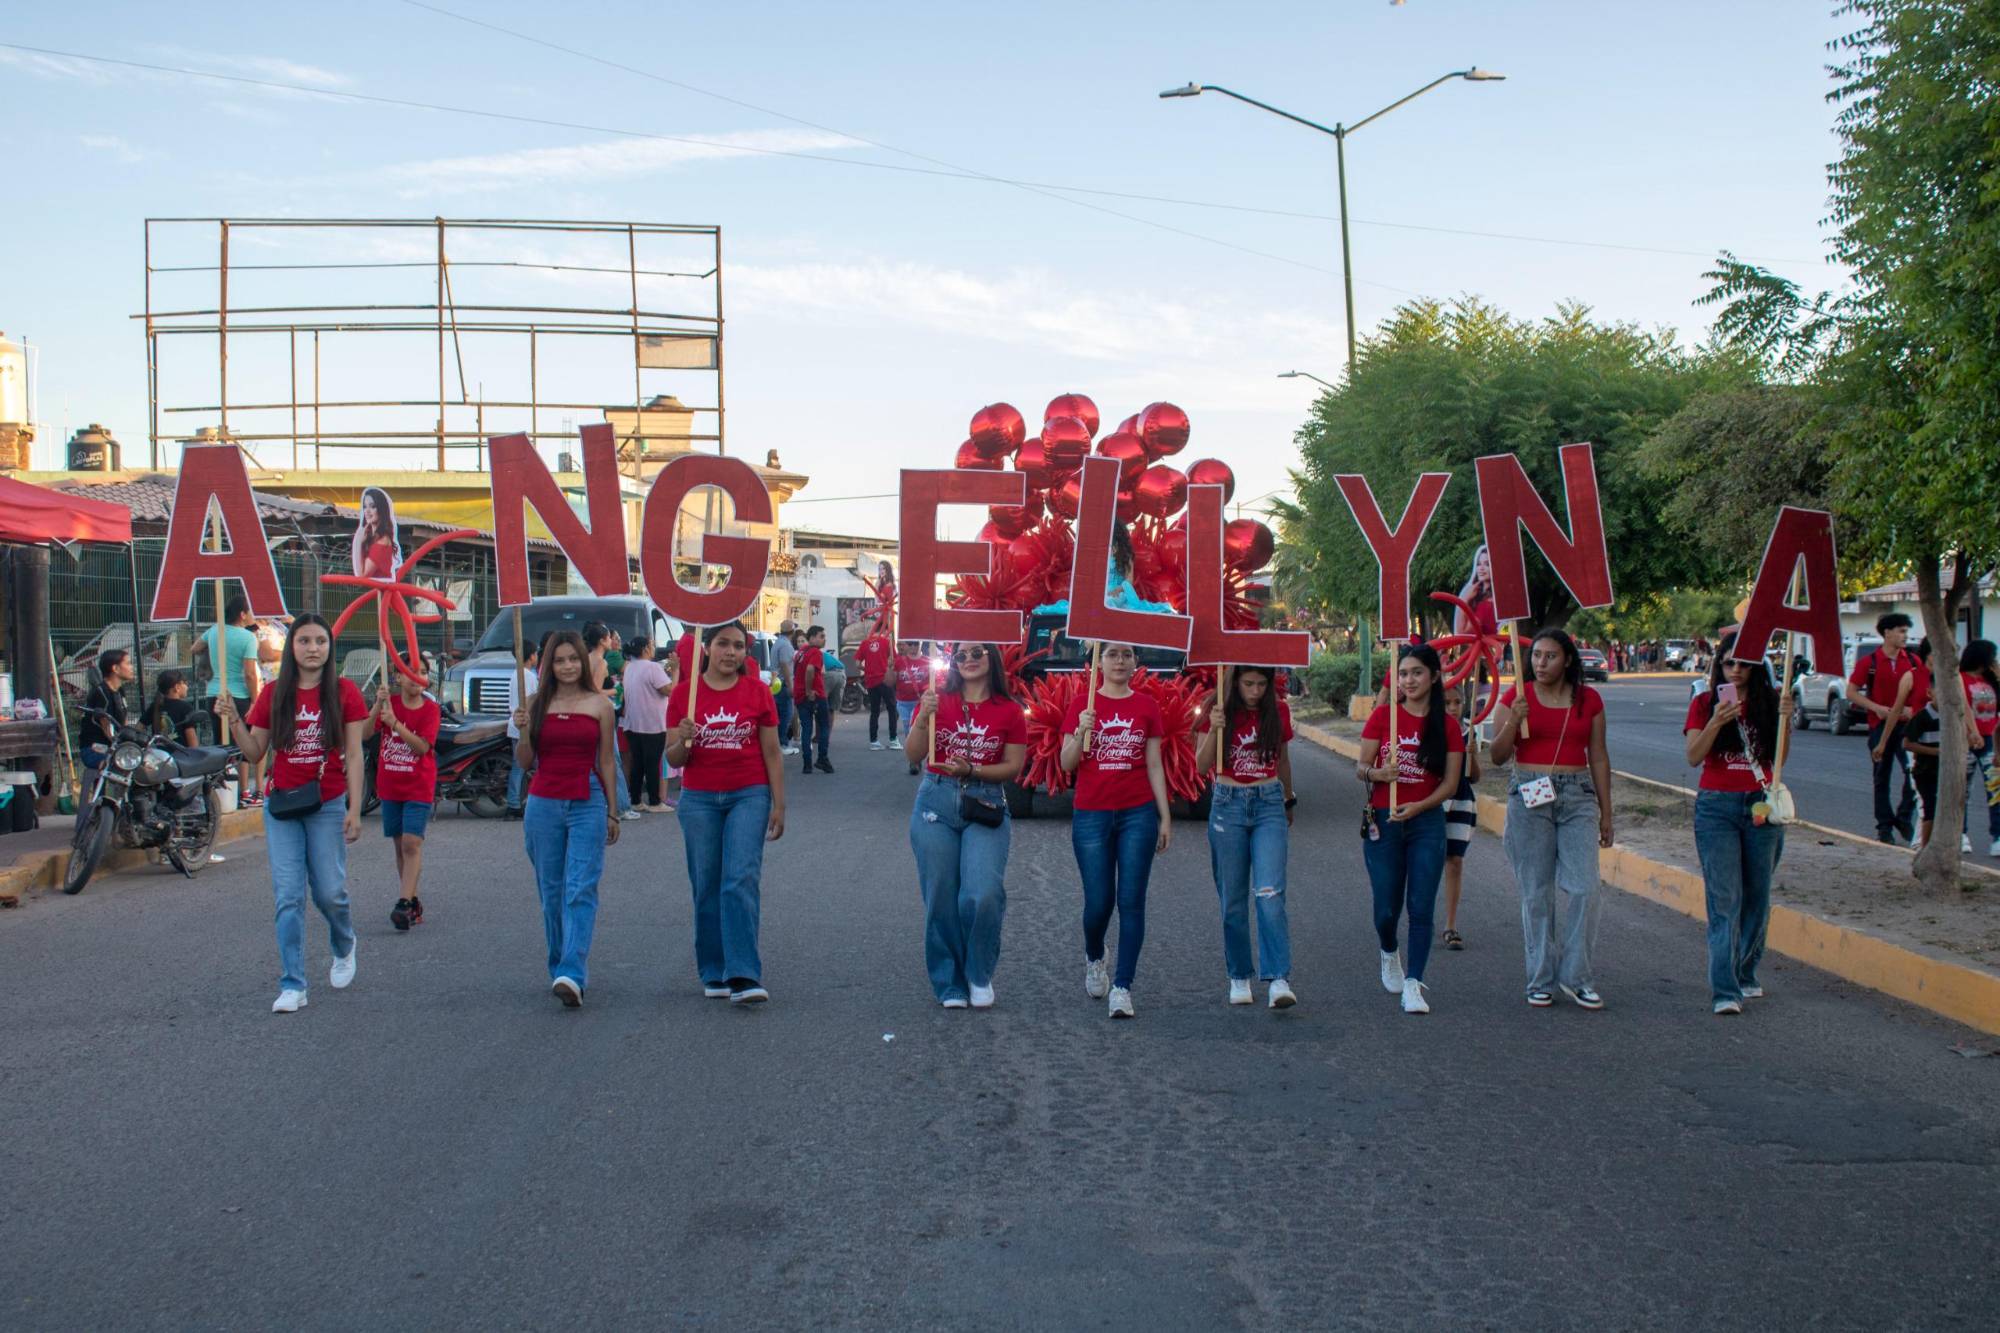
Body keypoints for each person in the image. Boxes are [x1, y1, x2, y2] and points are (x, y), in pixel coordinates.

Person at [219, 615, 367, 1014]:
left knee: (330, 893)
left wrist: (355, 809)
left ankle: (344, 942)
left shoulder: (345, 692)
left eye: (320, 641)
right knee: (288, 897)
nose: (313, 648)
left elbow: (354, 755)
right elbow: (255, 752)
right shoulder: (273, 693)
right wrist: (234, 718)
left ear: (330, 647)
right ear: (292, 647)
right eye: (304, 641)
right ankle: (293, 984)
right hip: (282, 805)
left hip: (327, 803)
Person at [1490, 628, 1614, 1011]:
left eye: (1551, 656)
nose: (1541, 663)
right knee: (1537, 892)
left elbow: (1598, 756)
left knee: (1585, 888)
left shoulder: (1589, 700)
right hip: (1529, 794)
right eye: (1537, 655)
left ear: (1568, 660)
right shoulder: (1517, 696)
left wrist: (1607, 813)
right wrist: (1514, 721)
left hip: (1577, 796)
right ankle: (1541, 978)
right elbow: (1497, 755)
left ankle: (1577, 977)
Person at [667, 620, 785, 1004]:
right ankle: (714, 969)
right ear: (707, 648)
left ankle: (744, 974)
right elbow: (673, 758)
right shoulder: (684, 695)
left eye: (738, 645)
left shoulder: (758, 692)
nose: (730, 652)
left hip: (748, 795)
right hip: (699, 799)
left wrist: (779, 804)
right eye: (722, 644)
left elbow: (772, 752)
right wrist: (683, 739)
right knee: (707, 884)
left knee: (740, 879)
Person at [904, 642, 1028, 1009]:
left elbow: (1013, 767)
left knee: (983, 893)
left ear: (992, 658)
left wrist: (973, 769)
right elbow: (913, 754)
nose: (968, 660)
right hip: (935, 802)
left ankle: (978, 971)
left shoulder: (1009, 710)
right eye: (960, 655)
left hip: (985, 801)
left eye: (977, 653)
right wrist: (923, 717)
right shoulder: (936, 699)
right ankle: (949, 982)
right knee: (940, 895)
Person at [1061, 643, 1172, 1019]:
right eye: (1111, 654)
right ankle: (1095, 956)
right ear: (1098, 662)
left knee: (1131, 901)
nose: (1120, 661)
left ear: (1136, 661)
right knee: (1098, 903)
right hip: (1091, 814)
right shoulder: (1082, 704)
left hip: (1137, 814)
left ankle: (1123, 986)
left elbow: (1154, 764)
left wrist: (1164, 816)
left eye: (1126, 654)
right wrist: (1081, 730)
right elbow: (1066, 763)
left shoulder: (1146, 706)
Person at [511, 629, 621, 1008]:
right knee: (552, 892)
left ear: (583, 661)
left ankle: (573, 971)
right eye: (559, 660)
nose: (568, 666)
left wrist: (613, 810)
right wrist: (522, 731)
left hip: (588, 801)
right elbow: (525, 762)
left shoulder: (600, 705)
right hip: (543, 802)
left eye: (573, 658)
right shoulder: (534, 703)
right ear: (549, 665)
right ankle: (559, 965)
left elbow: (607, 761)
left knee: (580, 887)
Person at [1357, 644, 1465, 1015]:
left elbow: (1451, 783)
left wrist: (1419, 806)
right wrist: (1378, 773)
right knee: (1386, 909)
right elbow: (1360, 768)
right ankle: (1389, 951)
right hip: (1384, 820)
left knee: (1421, 906)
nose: (1409, 680)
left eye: (1417, 672)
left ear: (1433, 677)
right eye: (1403, 674)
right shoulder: (1383, 717)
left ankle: (1414, 983)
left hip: (1426, 822)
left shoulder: (1448, 725)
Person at [1685, 635, 1788, 1015]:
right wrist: (1716, 721)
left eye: (1744, 663)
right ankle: (1725, 990)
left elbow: (1779, 761)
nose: (1736, 670)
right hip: (1717, 806)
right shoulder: (1703, 703)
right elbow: (1693, 756)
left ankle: (1745, 971)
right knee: (1724, 900)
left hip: (1760, 804)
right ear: (1719, 666)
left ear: (1756, 667)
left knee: (1757, 897)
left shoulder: (1771, 703)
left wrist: (1786, 720)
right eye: (1729, 663)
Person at [1195, 665, 1298, 1010]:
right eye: (1248, 684)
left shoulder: (1278, 710)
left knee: (1269, 893)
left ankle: (1278, 977)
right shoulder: (1215, 707)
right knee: (1233, 899)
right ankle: (1239, 975)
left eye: (1261, 684)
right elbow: (1201, 765)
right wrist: (1215, 727)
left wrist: (1288, 800)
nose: (1255, 691)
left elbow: (1283, 759)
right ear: (1235, 682)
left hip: (1268, 801)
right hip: (1228, 804)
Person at [370, 668, 440, 932]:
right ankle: (412, 899)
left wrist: (395, 724)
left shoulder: (431, 709)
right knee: (400, 846)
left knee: (411, 843)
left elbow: (422, 747)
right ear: (398, 677)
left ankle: (402, 903)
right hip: (390, 787)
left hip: (418, 787)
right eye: (410, 671)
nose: (417, 677)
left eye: (422, 671)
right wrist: (377, 706)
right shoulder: (390, 704)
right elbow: (364, 733)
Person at [1850, 611, 1927, 844]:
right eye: (1901, 631)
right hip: (1880, 725)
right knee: (1881, 776)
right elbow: (1851, 692)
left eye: (1906, 631)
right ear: (1887, 633)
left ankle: (1903, 816)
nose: (1905, 636)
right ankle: (1884, 826)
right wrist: (1876, 708)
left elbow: (1923, 692)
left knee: (1913, 773)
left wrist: (1912, 709)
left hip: (1907, 726)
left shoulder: (1913, 661)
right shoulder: (1870, 662)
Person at [201, 596, 265, 807]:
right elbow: (250, 674)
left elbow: (195, 647)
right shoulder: (248, 638)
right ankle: (243, 792)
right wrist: (255, 700)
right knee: (243, 745)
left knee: (221, 745)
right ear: (242, 614)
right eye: (251, 611)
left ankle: (221, 795)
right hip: (239, 696)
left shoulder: (214, 631)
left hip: (214, 693)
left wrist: (216, 655)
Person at [1439, 683, 1483, 950]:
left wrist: (1472, 756)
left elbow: (1474, 777)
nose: (1453, 708)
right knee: (1426, 861)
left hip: (1461, 799)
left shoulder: (1469, 731)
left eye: (1457, 702)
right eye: (1447, 703)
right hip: (1434, 800)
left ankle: (1451, 924)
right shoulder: (1430, 729)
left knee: (1455, 861)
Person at [583, 622, 639, 821]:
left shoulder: (586, 658)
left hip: (588, 715)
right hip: (600, 715)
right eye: (608, 637)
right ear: (601, 640)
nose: (612, 640)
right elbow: (595, 691)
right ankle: (622, 805)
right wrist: (615, 690)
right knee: (612, 760)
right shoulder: (600, 662)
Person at [621, 636, 673, 812]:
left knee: (638, 763)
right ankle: (654, 802)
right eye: (651, 645)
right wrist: (675, 671)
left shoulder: (629, 667)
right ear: (645, 649)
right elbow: (668, 690)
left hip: (632, 723)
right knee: (652, 763)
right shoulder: (652, 667)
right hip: (652, 723)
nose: (653, 648)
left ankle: (635, 800)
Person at [1961, 639, 2000, 858]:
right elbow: (1962, 707)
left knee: (1995, 789)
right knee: (1962, 789)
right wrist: (1971, 731)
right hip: (1967, 739)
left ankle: (1998, 836)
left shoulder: (1990, 681)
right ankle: (1960, 833)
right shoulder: (1960, 678)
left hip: (1991, 739)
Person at [505, 638, 540, 820]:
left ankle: (515, 802)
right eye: (535, 653)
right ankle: (514, 804)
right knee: (522, 767)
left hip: (514, 724)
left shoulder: (515, 674)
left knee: (518, 766)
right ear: (531, 656)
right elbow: (532, 702)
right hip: (524, 725)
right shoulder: (529, 676)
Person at [80, 648, 135, 764]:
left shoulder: (120, 691)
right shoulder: (101, 692)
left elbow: (123, 725)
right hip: (96, 749)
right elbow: (107, 729)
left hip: (112, 747)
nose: (132, 667)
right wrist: (124, 748)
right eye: (128, 663)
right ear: (115, 668)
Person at [795, 624, 833, 775]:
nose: (824, 639)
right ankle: (822, 758)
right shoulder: (816, 652)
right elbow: (810, 670)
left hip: (800, 696)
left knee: (806, 729)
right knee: (824, 726)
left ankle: (807, 764)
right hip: (815, 695)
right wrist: (809, 690)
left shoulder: (801, 652)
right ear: (811, 638)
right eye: (821, 636)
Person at [893, 642, 931, 776]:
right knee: (908, 730)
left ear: (920, 645)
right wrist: (889, 668)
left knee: (921, 729)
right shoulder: (899, 661)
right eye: (910, 644)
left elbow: (935, 681)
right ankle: (914, 760)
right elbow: (890, 681)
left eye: (916, 644)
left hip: (920, 702)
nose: (913, 647)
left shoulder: (928, 661)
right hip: (903, 701)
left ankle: (920, 757)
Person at [858, 623, 896, 750]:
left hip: (871, 681)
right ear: (884, 630)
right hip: (885, 680)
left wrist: (868, 669)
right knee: (892, 709)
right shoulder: (886, 642)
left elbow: (857, 664)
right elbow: (893, 661)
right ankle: (893, 740)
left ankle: (873, 741)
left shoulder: (865, 643)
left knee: (874, 712)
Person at [352, 486, 401, 579]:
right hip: (372, 588)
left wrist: (358, 542)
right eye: (364, 507)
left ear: (381, 509)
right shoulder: (370, 537)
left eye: (372, 506)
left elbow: (361, 576)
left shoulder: (383, 542)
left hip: (380, 588)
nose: (367, 511)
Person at [144, 668, 201, 748]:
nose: (187, 687)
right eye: (185, 683)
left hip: (159, 754)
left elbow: (139, 728)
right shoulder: (186, 707)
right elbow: (193, 744)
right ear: (177, 687)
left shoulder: (155, 705)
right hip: (181, 754)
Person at [771, 621, 799, 757]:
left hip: (777, 684)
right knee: (786, 715)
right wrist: (790, 685)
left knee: (780, 715)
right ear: (792, 632)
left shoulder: (778, 642)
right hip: (783, 684)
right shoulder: (786, 645)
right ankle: (782, 744)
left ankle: (777, 744)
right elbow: (784, 664)